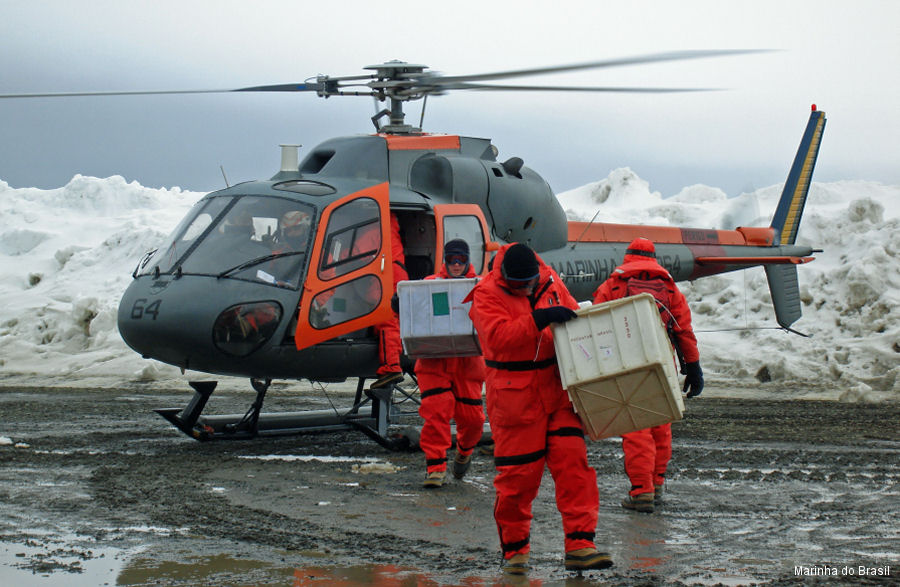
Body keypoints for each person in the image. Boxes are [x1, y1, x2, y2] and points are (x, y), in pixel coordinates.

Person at [467, 242, 613, 574]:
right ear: (505, 277)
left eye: (528, 283)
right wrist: (540, 318)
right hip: (515, 399)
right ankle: (515, 551)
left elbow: (574, 316)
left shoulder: (550, 280)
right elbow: (498, 338)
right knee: (519, 479)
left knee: (574, 466)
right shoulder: (485, 293)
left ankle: (581, 545)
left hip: (557, 391)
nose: (525, 289)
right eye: (517, 285)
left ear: (536, 275)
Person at [591, 237, 703, 513]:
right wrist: (693, 367)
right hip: (661, 362)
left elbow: (595, 326)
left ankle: (642, 491)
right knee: (661, 426)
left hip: (628, 363)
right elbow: (683, 330)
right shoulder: (670, 288)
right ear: (654, 258)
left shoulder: (612, 286)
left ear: (627, 256)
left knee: (636, 428)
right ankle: (657, 484)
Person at [414, 239, 486, 489]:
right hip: (434, 361)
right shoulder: (429, 284)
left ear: (468, 261)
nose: (456, 265)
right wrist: (398, 305)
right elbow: (414, 312)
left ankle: (464, 451)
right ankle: (435, 468)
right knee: (436, 412)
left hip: (468, 362)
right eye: (451, 260)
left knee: (473, 420)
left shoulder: (480, 287)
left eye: (461, 260)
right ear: (445, 260)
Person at [369, 212, 409, 389]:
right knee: (392, 317)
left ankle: (391, 366)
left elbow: (356, 253)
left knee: (386, 318)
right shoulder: (389, 223)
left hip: (386, 273)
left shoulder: (372, 227)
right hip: (393, 271)